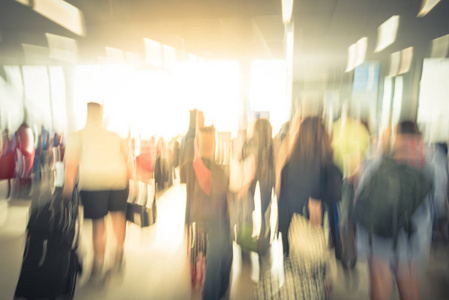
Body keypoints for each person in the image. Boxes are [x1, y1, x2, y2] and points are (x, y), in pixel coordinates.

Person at [355, 120, 446, 300]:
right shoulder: (433, 160)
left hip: (378, 231)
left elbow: (361, 195)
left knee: (380, 280)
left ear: (395, 134)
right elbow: (438, 202)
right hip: (411, 233)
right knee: (409, 283)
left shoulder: (378, 156)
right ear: (419, 134)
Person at [63, 102, 132, 281]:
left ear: (87, 114)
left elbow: (71, 167)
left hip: (93, 183)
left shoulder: (77, 136)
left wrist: (66, 193)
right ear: (101, 114)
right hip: (118, 180)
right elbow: (127, 161)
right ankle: (118, 254)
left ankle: (98, 265)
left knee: (98, 224)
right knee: (118, 217)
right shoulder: (114, 136)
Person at [278, 116, 342, 256]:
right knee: (319, 273)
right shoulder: (332, 169)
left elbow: (282, 205)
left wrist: (283, 238)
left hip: (294, 234)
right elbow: (337, 200)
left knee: (297, 274)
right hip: (323, 236)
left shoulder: (287, 168)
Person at [182, 126, 233, 300]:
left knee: (221, 253)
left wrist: (188, 221)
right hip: (216, 219)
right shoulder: (216, 168)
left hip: (198, 217)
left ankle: (219, 291)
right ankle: (217, 293)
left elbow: (189, 193)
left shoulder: (191, 165)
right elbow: (224, 189)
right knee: (221, 256)